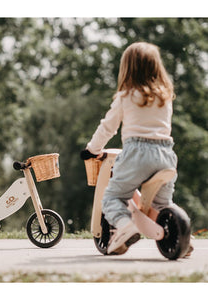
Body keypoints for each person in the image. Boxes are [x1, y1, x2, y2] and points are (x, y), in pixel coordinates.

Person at [85, 42, 179, 255]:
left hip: (137, 154)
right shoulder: (165, 96)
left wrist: (93, 149)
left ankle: (125, 225)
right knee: (163, 205)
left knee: (112, 198)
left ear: (127, 68)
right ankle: (180, 233)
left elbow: (108, 126)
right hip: (166, 154)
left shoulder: (126, 96)